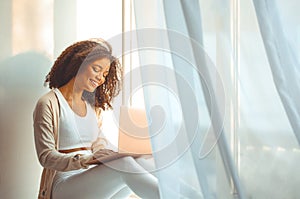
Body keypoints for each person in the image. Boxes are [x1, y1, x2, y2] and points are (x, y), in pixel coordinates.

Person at [33, 39, 160, 199]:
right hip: (64, 184)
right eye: (96, 69)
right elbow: (46, 157)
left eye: (105, 74)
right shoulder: (48, 103)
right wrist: (87, 160)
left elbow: (99, 145)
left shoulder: (93, 107)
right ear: (78, 64)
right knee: (124, 164)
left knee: (145, 161)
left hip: (92, 180)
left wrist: (115, 154)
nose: (101, 78)